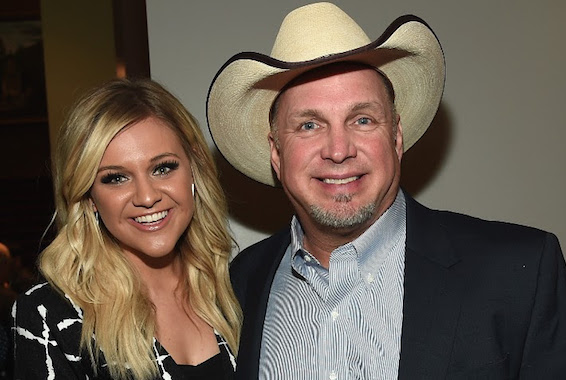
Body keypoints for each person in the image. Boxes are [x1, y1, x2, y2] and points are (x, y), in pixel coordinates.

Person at [206, 2, 566, 379]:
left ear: (395, 137)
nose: (339, 149)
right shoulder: (238, 288)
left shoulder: (518, 274)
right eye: (309, 126)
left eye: (362, 119)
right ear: (277, 154)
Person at [12, 78, 241, 379]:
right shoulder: (50, 315)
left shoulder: (236, 288)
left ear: (194, 168)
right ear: (89, 196)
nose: (147, 197)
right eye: (116, 178)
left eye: (163, 168)